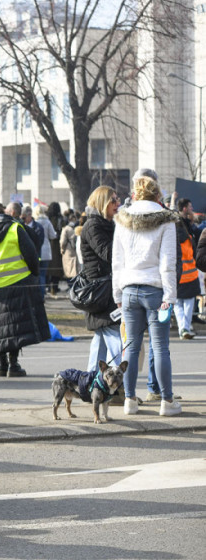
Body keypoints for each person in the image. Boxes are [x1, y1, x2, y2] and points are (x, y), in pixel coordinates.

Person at [113, 176, 181, 417]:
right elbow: (167, 263)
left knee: (130, 346)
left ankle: (129, 400)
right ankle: (167, 401)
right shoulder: (166, 220)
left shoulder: (122, 218)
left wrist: (117, 293)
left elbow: (117, 261)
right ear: (157, 195)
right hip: (155, 289)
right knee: (160, 347)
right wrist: (170, 296)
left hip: (130, 288)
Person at [0, 202, 49, 377]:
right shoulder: (15, 228)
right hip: (19, 282)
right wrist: (34, 274)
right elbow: (31, 254)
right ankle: (13, 365)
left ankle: (2, 365)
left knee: (0, 325)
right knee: (16, 325)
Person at [80, 186, 123, 372]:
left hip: (106, 287)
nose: (117, 203)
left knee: (101, 338)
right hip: (100, 290)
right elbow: (109, 253)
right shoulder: (93, 225)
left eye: (117, 199)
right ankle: (116, 386)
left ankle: (91, 382)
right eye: (113, 200)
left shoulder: (108, 224)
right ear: (102, 202)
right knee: (114, 336)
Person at [173, 198, 199, 339]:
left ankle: (183, 328)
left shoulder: (173, 235)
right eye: (189, 206)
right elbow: (193, 253)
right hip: (189, 274)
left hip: (177, 275)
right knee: (188, 304)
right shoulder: (186, 237)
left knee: (178, 304)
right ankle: (185, 328)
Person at [34, 204, 58, 298]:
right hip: (46, 250)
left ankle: (38, 293)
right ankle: (42, 293)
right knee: (43, 274)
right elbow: (53, 235)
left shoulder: (34, 222)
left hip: (36, 250)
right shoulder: (47, 222)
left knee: (37, 273)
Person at [60, 211, 79, 279]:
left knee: (68, 267)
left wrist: (62, 249)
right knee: (74, 266)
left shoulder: (65, 229)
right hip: (74, 248)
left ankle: (71, 283)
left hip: (67, 249)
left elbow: (62, 241)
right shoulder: (76, 228)